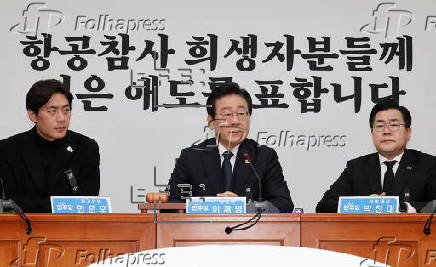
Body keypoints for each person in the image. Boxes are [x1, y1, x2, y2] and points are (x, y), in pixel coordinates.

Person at [167, 82, 293, 213]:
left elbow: (284, 204)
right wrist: (214, 206)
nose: (235, 121)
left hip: (251, 232)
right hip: (202, 231)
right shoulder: (191, 157)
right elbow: (172, 203)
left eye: (241, 114)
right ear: (211, 122)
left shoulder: (264, 156)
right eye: (227, 114)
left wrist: (245, 207)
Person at [316, 100, 436, 213]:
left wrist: (402, 208)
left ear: (408, 133)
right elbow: (324, 206)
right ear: (372, 133)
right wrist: (364, 205)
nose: (386, 131)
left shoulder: (428, 165)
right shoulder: (356, 168)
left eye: (394, 125)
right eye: (379, 126)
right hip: (365, 234)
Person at [0, 79, 100, 213]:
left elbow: (87, 203)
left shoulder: (85, 148)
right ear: (33, 115)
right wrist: (60, 206)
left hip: (71, 231)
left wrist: (32, 205)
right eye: (52, 111)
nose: (62, 118)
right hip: (20, 230)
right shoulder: (8, 150)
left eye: (66, 110)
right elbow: (7, 205)